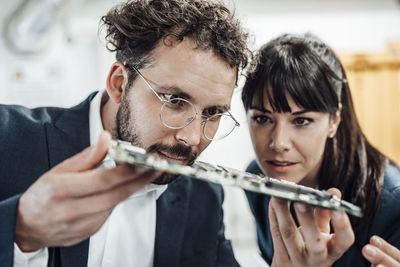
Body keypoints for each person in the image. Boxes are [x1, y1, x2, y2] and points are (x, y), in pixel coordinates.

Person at [0, 0, 251, 266]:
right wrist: (20, 229)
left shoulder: (203, 197)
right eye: (174, 100)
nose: (191, 138)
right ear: (119, 84)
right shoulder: (8, 138)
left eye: (212, 113)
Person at [241, 33, 400, 267]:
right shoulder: (257, 180)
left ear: (334, 120)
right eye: (262, 119)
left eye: (301, 121)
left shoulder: (392, 204)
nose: (278, 143)